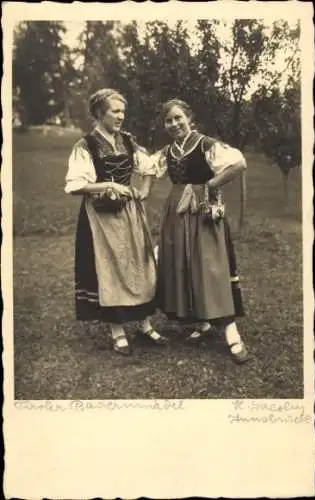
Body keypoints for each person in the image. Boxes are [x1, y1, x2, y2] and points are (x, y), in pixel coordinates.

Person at [64, 88, 167, 356]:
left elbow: (149, 168)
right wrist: (108, 184)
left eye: (123, 111)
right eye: (115, 111)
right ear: (99, 113)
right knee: (110, 268)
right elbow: (75, 185)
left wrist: (144, 190)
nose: (121, 116)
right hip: (100, 216)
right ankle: (117, 331)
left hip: (130, 213)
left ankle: (145, 324)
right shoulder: (85, 145)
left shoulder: (128, 141)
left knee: (139, 264)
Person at [150, 99, 249, 363]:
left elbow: (238, 164)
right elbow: (147, 168)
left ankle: (231, 333)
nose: (174, 124)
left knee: (210, 268)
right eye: (168, 120)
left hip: (203, 210)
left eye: (178, 118)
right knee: (184, 265)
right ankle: (201, 322)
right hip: (177, 211)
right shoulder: (168, 152)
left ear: (189, 118)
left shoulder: (205, 144)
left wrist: (210, 185)